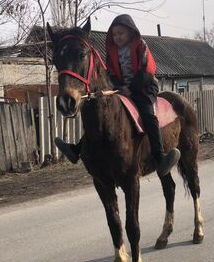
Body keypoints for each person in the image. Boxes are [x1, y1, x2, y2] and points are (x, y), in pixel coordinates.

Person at [55, 14, 180, 176]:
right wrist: (119, 87)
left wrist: (132, 87)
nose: (117, 37)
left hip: (144, 87)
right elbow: (112, 73)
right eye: (114, 34)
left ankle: (160, 156)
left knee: (148, 114)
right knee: (104, 115)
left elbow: (147, 70)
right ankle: (77, 149)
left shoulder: (140, 46)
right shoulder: (112, 51)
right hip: (121, 89)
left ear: (130, 32)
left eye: (121, 33)